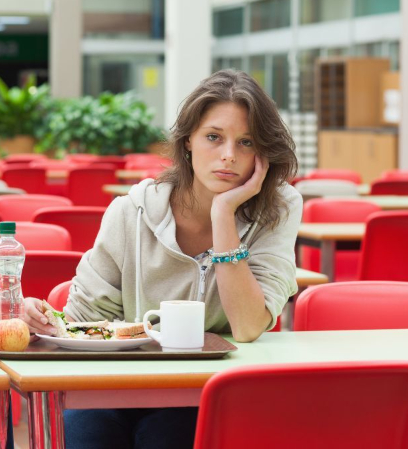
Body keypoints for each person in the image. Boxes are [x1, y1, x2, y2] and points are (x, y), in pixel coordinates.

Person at [21, 69, 302, 449]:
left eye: (247, 142)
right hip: (117, 387)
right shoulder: (130, 212)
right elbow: (83, 322)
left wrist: (224, 216)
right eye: (214, 137)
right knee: (85, 435)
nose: (229, 156)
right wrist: (44, 318)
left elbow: (249, 326)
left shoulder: (278, 208)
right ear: (188, 141)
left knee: (170, 435)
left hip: (208, 391)